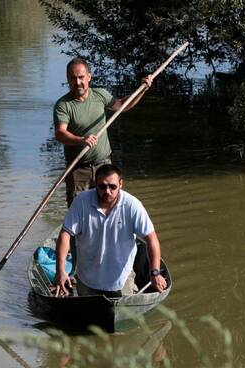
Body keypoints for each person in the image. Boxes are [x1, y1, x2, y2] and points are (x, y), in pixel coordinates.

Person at [54, 164, 167, 297]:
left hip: (122, 280)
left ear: (120, 184)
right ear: (95, 183)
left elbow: (151, 238)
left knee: (126, 315)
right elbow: (65, 235)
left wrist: (155, 272)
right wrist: (60, 270)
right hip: (88, 281)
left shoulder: (132, 205)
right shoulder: (81, 202)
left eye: (112, 187)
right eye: (102, 186)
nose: (107, 191)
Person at [54, 58, 153, 206]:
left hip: (104, 165)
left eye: (81, 77)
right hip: (78, 169)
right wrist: (81, 140)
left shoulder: (100, 95)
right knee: (78, 211)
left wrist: (142, 89)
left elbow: (122, 106)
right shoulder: (63, 105)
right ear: (68, 79)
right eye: (73, 78)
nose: (78, 82)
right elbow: (60, 133)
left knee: (110, 206)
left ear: (89, 77)